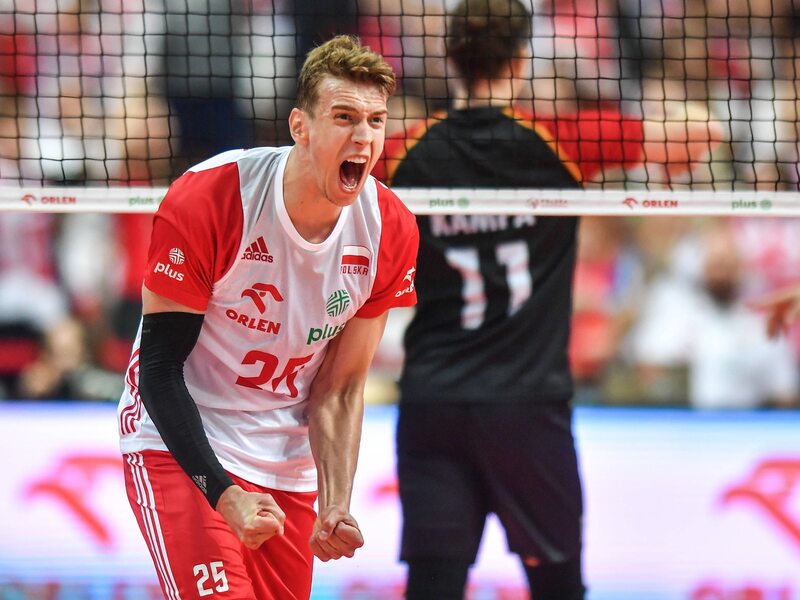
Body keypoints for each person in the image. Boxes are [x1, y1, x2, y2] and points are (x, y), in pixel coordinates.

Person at [373, 1, 722, 598]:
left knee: (433, 586)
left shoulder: (402, 152)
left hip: (433, 400)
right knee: (558, 586)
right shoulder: (561, 140)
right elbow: (703, 132)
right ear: (520, 62)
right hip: (528, 408)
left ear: (449, 58)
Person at [116, 35, 419, 600]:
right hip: (185, 441)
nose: (363, 137)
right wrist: (223, 493)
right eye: (344, 117)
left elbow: (341, 388)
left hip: (286, 463)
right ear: (299, 126)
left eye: (376, 121)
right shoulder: (214, 196)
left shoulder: (390, 228)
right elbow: (158, 370)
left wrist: (335, 503)